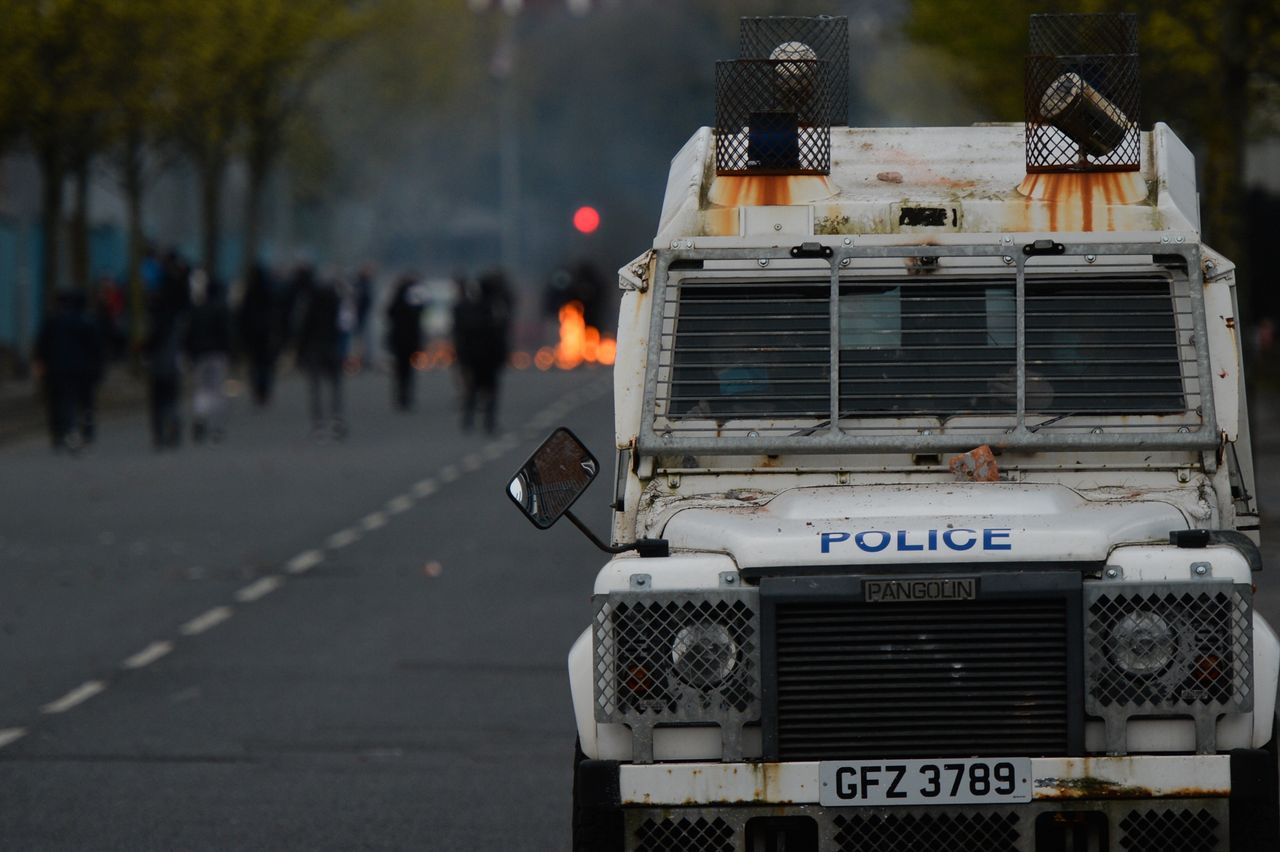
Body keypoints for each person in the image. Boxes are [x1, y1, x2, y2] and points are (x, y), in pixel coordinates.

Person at [34, 290, 103, 453]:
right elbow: (96, 348)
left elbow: (42, 346)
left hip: (59, 370)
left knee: (63, 402)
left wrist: (41, 365)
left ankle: (64, 433)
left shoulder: (54, 321)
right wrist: (98, 369)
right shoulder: (87, 322)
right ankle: (85, 431)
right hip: (84, 370)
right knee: (85, 403)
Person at [292, 265, 348, 440]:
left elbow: (303, 329)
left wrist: (299, 351)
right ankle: (336, 418)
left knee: (315, 387)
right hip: (331, 345)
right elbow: (345, 324)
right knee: (335, 384)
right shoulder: (336, 302)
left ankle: (318, 423)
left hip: (314, 347)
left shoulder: (310, 304)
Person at [454, 269, 511, 433]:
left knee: (473, 388)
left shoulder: (468, 307)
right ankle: (488, 422)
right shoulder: (495, 309)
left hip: (473, 357)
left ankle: (469, 420)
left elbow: (461, 334)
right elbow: (499, 335)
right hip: (488, 357)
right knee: (490, 390)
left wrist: (462, 356)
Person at [184, 270, 232, 443]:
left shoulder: (197, 310)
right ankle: (217, 428)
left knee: (202, 389)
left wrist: (189, 353)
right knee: (218, 390)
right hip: (218, 355)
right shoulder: (222, 310)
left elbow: (189, 334)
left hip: (200, 355)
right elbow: (228, 335)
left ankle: (200, 417)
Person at [237, 263, 280, 407]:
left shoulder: (249, 293)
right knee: (266, 365)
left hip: (253, 335)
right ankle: (264, 391)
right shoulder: (270, 291)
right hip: (266, 334)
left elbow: (242, 314)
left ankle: (257, 390)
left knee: (255, 364)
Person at [385, 273, 423, 411]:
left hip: (397, 339)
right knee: (408, 370)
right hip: (411, 339)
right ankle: (407, 396)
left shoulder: (395, 302)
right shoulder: (413, 303)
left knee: (399, 370)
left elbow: (387, 314)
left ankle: (399, 396)